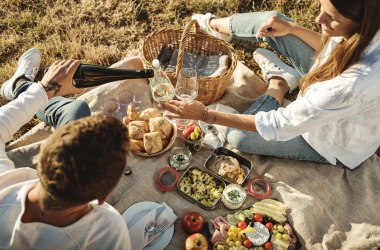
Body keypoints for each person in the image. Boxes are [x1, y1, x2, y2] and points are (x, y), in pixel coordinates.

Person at [161, 0, 380, 169]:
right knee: (273, 22)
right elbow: (333, 50)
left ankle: (278, 84)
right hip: (325, 77)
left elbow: (279, 124)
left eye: (331, 17)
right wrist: (293, 28)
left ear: (364, 22)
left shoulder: (352, 85)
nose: (318, 19)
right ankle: (210, 25)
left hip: (327, 138)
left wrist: (206, 116)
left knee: (239, 137)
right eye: (321, 5)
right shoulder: (366, 23)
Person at [0, 56, 132, 249]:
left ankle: (21, 85)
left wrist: (46, 87)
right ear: (103, 198)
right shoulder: (108, 230)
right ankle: (21, 85)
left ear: (43, 148)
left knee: (76, 109)